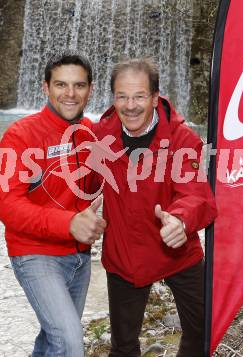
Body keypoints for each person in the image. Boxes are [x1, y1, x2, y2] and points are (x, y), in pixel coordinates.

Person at [93, 58, 218, 357]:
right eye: (122, 96)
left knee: (202, 332)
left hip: (177, 248)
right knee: (123, 347)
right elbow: (77, 187)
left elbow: (196, 193)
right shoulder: (99, 137)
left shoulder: (181, 137)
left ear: (154, 97)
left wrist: (181, 220)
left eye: (138, 96)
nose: (130, 105)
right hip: (126, 254)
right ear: (113, 98)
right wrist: (75, 214)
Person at [0, 51, 106, 357]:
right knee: (70, 343)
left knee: (51, 339)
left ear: (90, 89)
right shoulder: (19, 136)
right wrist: (69, 223)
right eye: (61, 85)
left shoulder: (92, 135)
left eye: (79, 86)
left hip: (80, 257)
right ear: (45, 87)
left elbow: (100, 184)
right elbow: (7, 205)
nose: (70, 94)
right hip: (35, 255)